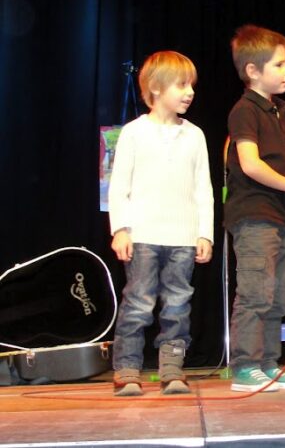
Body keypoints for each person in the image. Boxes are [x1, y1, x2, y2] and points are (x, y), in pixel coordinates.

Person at [108, 50, 213, 396]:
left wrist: (204, 234)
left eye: (191, 85)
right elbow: (119, 185)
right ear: (155, 88)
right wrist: (120, 229)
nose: (189, 92)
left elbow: (204, 188)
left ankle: (172, 369)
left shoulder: (195, 135)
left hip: (182, 238)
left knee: (178, 306)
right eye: (181, 85)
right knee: (138, 302)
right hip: (143, 236)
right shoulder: (134, 133)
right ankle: (127, 369)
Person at [224, 25, 285, 392]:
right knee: (256, 291)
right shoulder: (245, 111)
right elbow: (251, 163)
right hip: (255, 214)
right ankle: (245, 367)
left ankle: (269, 364)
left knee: (278, 295)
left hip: (280, 215)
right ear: (253, 71)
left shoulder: (282, 111)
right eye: (280, 64)